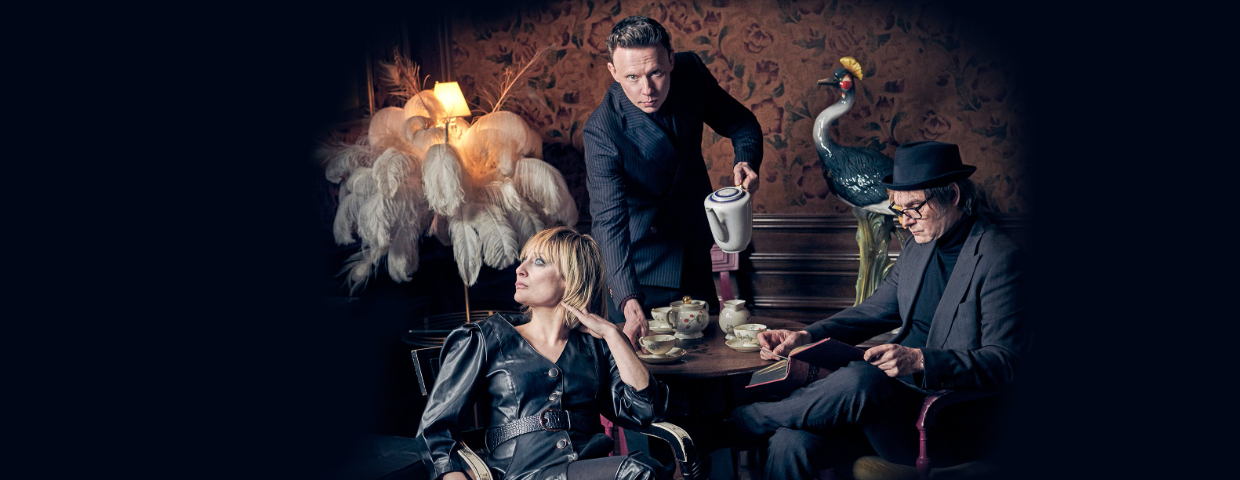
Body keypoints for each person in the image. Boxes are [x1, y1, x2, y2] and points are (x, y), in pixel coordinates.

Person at [726, 141, 1031, 478]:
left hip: (946, 421)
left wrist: (920, 360)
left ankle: (745, 421)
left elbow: (1006, 362)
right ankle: (750, 423)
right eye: (899, 209)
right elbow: (871, 312)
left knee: (863, 377)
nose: (906, 221)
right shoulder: (918, 246)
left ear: (953, 195)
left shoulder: (1001, 259)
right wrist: (805, 336)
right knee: (790, 442)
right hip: (888, 410)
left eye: (914, 207)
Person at [415, 227, 674, 480]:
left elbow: (645, 410)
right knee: (640, 471)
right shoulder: (485, 339)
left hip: (586, 468)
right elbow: (436, 429)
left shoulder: (596, 346)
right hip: (522, 472)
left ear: (571, 279)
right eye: (523, 259)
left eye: (538, 261)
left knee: (641, 470)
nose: (520, 269)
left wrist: (613, 334)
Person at [582, 15, 763, 351]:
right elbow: (608, 223)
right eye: (632, 77)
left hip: (694, 249)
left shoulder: (690, 72)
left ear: (671, 59)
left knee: (708, 359)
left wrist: (746, 162)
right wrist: (628, 301)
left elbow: (742, 123)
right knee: (650, 374)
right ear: (613, 72)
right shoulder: (602, 130)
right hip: (639, 270)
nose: (647, 90)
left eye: (656, 73)